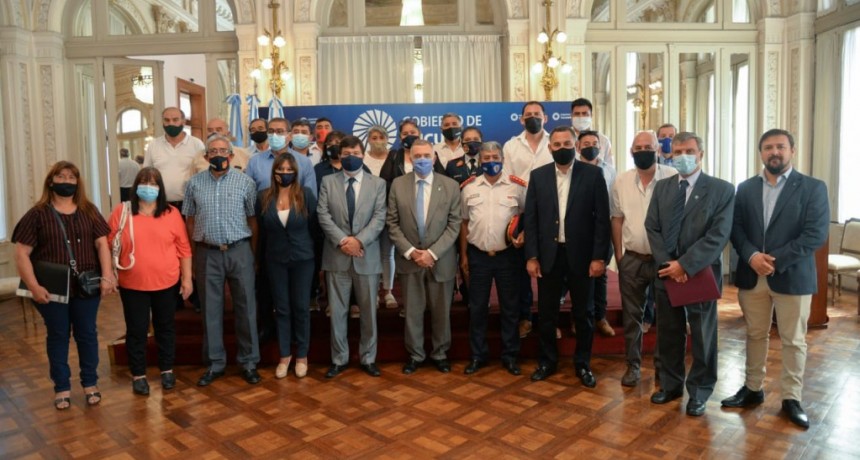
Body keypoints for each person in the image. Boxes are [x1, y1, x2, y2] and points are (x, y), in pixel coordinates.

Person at [721, 129, 829, 428]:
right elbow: (736, 229)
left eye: (780, 146)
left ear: (792, 150)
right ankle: (752, 388)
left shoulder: (813, 188)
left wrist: (773, 261)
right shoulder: (745, 188)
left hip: (792, 276)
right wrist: (752, 256)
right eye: (768, 147)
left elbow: (815, 234)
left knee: (794, 340)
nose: (774, 152)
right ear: (761, 153)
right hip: (752, 275)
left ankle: (792, 398)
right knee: (755, 334)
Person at [645, 131, 734, 417]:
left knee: (702, 336)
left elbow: (718, 235)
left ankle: (699, 392)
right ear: (670, 155)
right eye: (678, 152)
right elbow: (652, 227)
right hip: (666, 273)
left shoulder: (721, 189)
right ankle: (671, 386)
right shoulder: (663, 187)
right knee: (669, 334)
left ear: (701, 155)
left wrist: (684, 265)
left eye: (689, 151)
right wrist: (669, 264)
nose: (683, 157)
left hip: (700, 273)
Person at [12, 161, 115, 409]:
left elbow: (102, 244)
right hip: (51, 289)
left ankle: (90, 383)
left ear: (77, 182)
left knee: (87, 334)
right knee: (58, 335)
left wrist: (107, 275)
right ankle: (62, 387)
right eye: (61, 176)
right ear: (51, 181)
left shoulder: (89, 210)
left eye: (71, 177)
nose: (66, 181)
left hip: (86, 285)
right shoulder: (37, 214)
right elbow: (22, 253)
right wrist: (34, 287)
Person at [524, 126, 610, 387]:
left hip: (582, 257)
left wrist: (599, 258)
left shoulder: (593, 175)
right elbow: (531, 220)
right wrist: (532, 256)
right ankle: (547, 362)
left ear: (576, 146)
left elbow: (602, 220)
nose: (562, 148)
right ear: (550, 147)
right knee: (547, 314)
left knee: (583, 313)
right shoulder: (538, 176)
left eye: (567, 144)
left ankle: (583, 363)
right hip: (549, 256)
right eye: (557, 144)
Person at [183, 135, 261, 386]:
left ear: (231, 155)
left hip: (240, 250)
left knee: (246, 308)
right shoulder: (193, 184)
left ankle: (249, 362)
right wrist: (193, 255)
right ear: (206, 157)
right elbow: (190, 221)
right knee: (210, 310)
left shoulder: (246, 183)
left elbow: (253, 221)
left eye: (223, 150)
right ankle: (215, 363)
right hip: (208, 252)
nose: (218, 155)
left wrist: (253, 254)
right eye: (213, 151)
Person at [108, 167, 192, 396]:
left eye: (153, 183)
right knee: (136, 330)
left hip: (166, 282)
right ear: (136, 186)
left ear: (160, 188)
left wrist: (187, 279)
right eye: (144, 182)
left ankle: (167, 370)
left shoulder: (171, 213)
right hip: (132, 284)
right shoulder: (122, 211)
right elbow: (107, 244)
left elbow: (184, 248)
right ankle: (139, 375)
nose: (148, 187)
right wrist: (108, 274)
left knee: (166, 328)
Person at [387, 139, 462, 374]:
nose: (422, 160)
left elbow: (454, 225)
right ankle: (416, 355)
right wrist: (412, 252)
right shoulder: (398, 185)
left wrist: (432, 253)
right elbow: (392, 223)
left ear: (434, 158)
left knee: (441, 312)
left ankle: (440, 353)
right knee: (412, 311)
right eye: (417, 156)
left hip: (441, 259)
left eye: (426, 156)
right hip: (409, 260)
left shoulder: (450, 186)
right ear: (410, 158)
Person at [611, 131, 677, 386]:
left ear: (658, 149)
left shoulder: (672, 177)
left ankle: (662, 367)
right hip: (633, 259)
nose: (642, 151)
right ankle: (633, 366)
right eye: (637, 148)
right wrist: (619, 255)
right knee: (632, 317)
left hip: (664, 261)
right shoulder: (621, 181)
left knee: (666, 318)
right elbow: (617, 219)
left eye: (648, 146)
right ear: (631, 152)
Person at [318, 136, 388, 378]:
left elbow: (379, 217)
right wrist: (343, 241)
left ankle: (368, 358)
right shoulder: (328, 182)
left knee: (369, 312)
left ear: (363, 154)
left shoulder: (378, 184)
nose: (351, 157)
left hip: (366, 255)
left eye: (356, 153)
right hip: (337, 256)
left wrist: (358, 241)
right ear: (340, 155)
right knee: (337, 312)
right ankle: (339, 359)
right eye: (346, 153)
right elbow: (323, 214)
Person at [459, 141, 526, 376]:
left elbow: (527, 216)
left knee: (510, 308)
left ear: (503, 159)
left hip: (508, 257)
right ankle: (478, 355)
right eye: (486, 158)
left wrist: (524, 235)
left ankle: (510, 356)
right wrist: (464, 255)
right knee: (477, 308)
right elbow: (464, 223)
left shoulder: (517, 186)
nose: (491, 162)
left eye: (495, 157)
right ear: (480, 161)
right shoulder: (469, 187)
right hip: (478, 256)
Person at [256, 152, 317, 379]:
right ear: (274, 172)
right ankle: (284, 356)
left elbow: (315, 228)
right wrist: (258, 261)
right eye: (280, 169)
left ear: (296, 172)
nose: (285, 173)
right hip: (275, 260)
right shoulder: (263, 196)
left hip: (303, 259)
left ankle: (301, 355)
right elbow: (260, 232)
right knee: (281, 308)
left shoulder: (306, 194)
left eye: (289, 170)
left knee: (301, 307)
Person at [502, 101, 553, 339]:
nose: (533, 117)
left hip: (550, 214)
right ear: (521, 119)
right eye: (528, 114)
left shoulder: (555, 143)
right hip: (520, 213)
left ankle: (549, 319)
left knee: (549, 270)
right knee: (521, 271)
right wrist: (517, 222)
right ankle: (525, 317)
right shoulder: (511, 146)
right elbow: (507, 181)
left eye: (537, 114)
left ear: (545, 117)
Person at [574, 130, 617, 338]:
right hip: (579, 229)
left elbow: (614, 201)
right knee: (577, 277)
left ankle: (600, 317)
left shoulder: (610, 171)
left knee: (601, 274)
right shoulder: (572, 169)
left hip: (602, 228)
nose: (591, 146)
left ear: (600, 146)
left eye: (594, 143)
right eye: (586, 143)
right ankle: (579, 318)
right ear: (578, 147)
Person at [143, 107, 205, 209]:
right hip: (161, 203)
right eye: (167, 120)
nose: (171, 123)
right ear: (162, 122)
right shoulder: (154, 145)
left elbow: (204, 173)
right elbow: (147, 174)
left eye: (175, 120)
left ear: (183, 121)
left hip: (190, 203)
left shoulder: (196, 144)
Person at [364, 125, 398, 309]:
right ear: (368, 140)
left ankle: (388, 291)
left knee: (387, 253)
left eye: (381, 137)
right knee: (370, 254)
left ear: (387, 139)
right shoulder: (362, 158)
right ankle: (374, 291)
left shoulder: (394, 158)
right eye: (374, 137)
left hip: (389, 211)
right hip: (366, 214)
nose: (377, 141)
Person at [246, 117, 317, 194]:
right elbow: (248, 194)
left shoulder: (304, 162)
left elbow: (310, 195)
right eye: (271, 131)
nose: (274, 135)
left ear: (290, 136)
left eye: (279, 131)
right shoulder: (254, 162)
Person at [570, 98, 613, 166]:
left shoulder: (603, 140)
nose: (581, 117)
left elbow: (609, 167)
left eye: (585, 114)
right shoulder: (563, 138)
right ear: (571, 116)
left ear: (591, 116)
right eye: (577, 114)